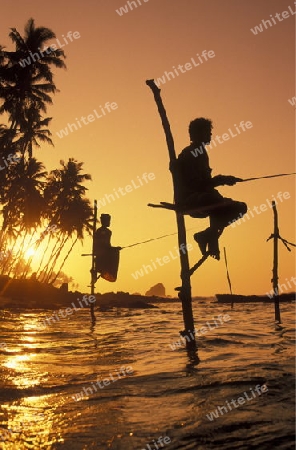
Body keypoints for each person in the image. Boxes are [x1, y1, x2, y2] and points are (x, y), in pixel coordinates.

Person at [174, 117, 247, 260]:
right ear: (196, 134)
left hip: (202, 199)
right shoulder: (191, 153)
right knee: (216, 200)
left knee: (240, 208)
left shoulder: (200, 153)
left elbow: (205, 184)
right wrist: (221, 180)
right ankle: (210, 238)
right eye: (207, 132)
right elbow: (196, 184)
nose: (210, 136)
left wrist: (222, 180)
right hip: (190, 200)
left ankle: (207, 235)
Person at [93, 214, 121, 282]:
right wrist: (113, 249)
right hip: (101, 252)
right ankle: (106, 271)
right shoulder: (100, 231)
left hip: (105, 250)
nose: (109, 223)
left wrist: (114, 248)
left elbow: (108, 245)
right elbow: (102, 245)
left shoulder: (108, 232)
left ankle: (108, 272)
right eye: (108, 221)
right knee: (114, 253)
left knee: (115, 252)